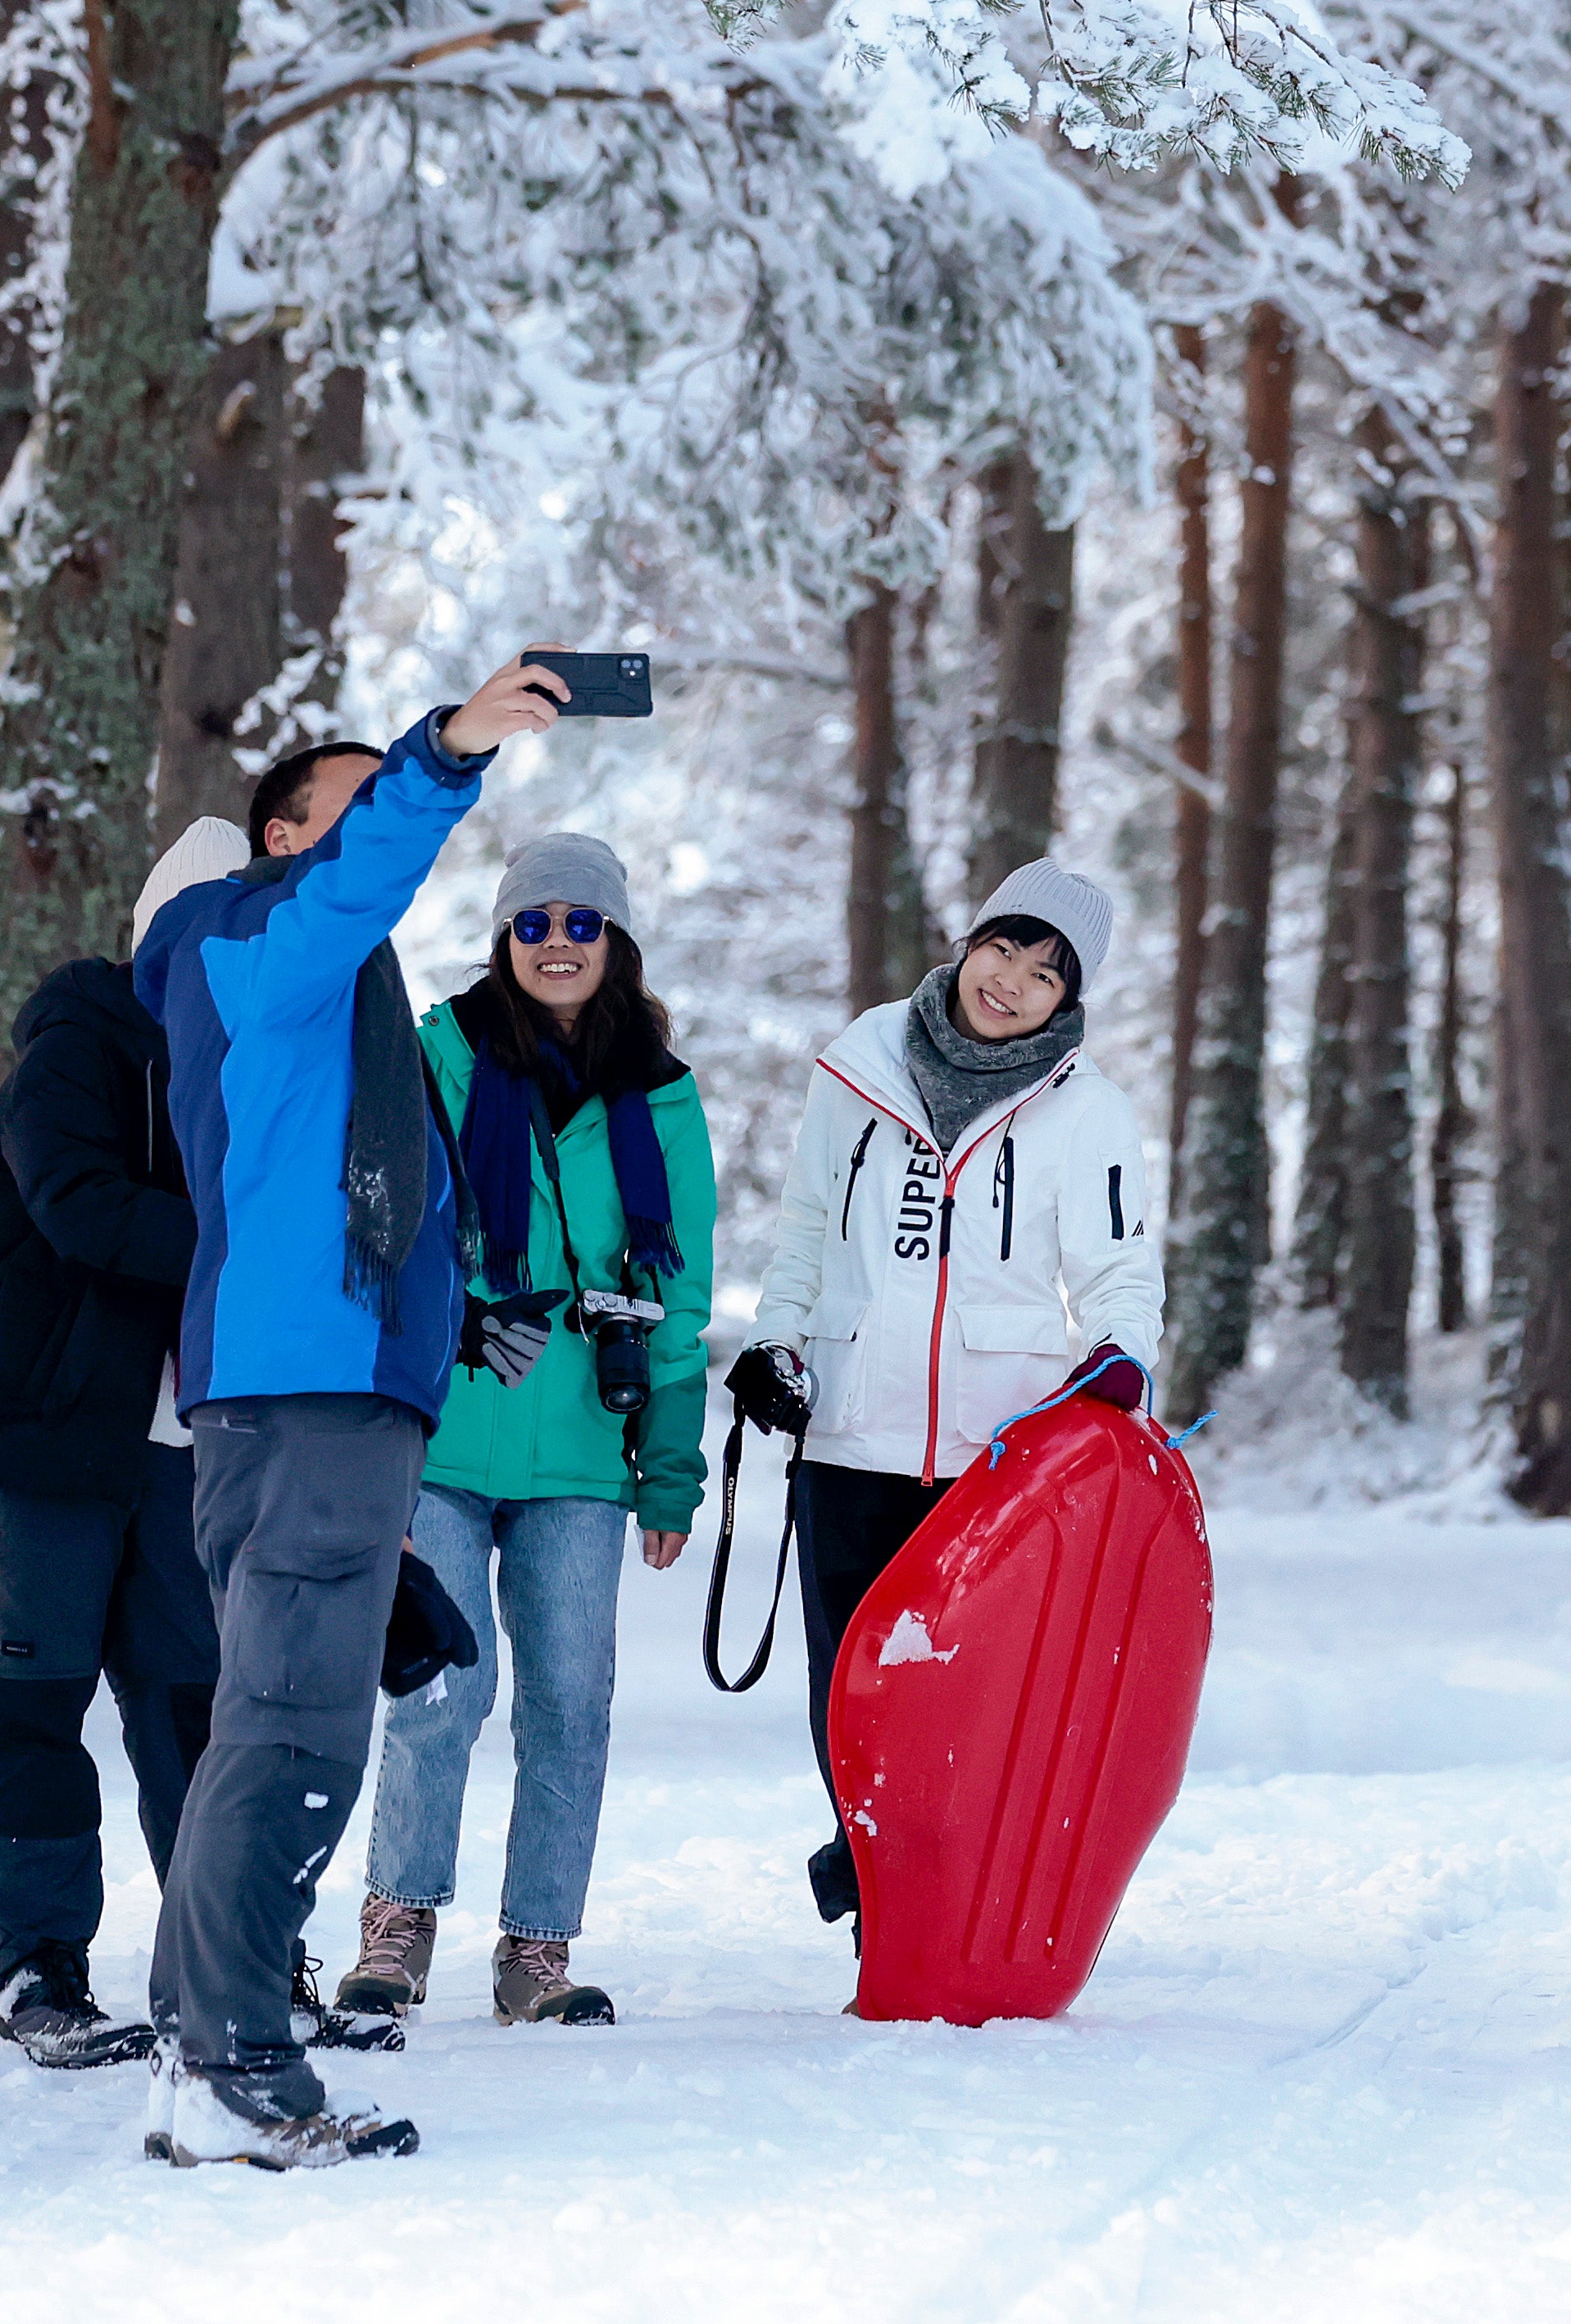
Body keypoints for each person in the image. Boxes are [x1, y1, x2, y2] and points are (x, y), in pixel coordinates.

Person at [128, 656, 570, 2172]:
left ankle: (205, 2045)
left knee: (272, 1719)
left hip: (320, 1393)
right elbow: (371, 853)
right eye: (346, 808)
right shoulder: (256, 942)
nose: (373, 826)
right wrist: (447, 749)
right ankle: (240, 2060)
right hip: (306, 1397)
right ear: (279, 845)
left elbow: (378, 1197)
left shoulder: (317, 1003)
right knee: (295, 1726)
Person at [339, 832, 715, 2031]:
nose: (558, 943)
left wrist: (669, 1470)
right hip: (441, 1435)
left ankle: (536, 1950)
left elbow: (681, 1295)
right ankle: (397, 1928)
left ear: (617, 943)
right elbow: (383, 1218)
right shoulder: (438, 1056)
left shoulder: (662, 1095)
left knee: (569, 1697)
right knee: (443, 1686)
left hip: (582, 1457)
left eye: (582, 923)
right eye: (534, 922)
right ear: (504, 939)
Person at [743, 857, 1163, 1930]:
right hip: (846, 1438)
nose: (1014, 979)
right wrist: (777, 1343)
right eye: (1006, 947)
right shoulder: (858, 1066)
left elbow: (1120, 1270)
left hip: (995, 1459)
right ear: (971, 943)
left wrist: (1120, 1357)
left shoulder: (1088, 1110)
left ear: (1070, 999)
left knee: (969, 1697)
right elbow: (803, 1235)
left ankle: (951, 1907)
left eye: (1048, 971)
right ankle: (878, 1881)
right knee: (849, 1691)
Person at [0, 821, 249, 2068]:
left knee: (191, 1711)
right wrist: (245, 1240)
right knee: (37, 1706)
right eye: (205, 923)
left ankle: (229, 1956)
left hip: (173, 1449)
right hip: (40, 1436)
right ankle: (38, 1965)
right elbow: (80, 1207)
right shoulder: (80, 1040)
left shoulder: (253, 1063)